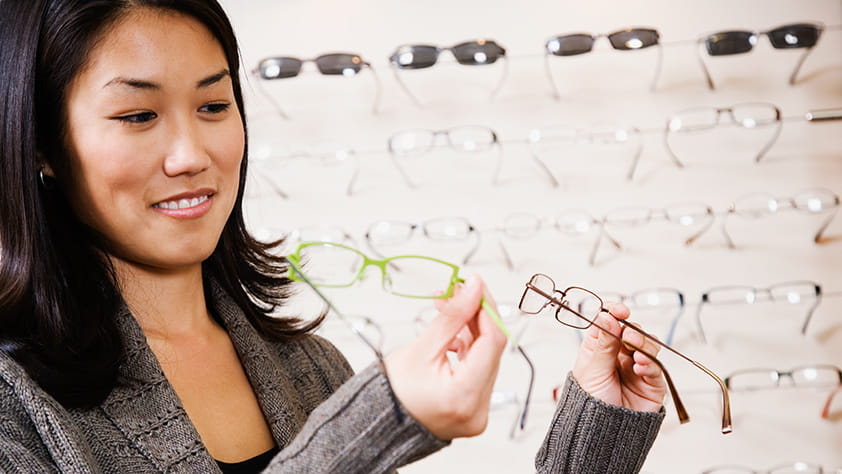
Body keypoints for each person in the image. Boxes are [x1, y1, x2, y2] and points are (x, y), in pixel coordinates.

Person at [0, 0, 667, 472]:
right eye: (138, 114)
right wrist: (384, 420)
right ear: (43, 144)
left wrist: (596, 435)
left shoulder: (312, 368)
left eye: (213, 105)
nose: (191, 154)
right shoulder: (15, 402)